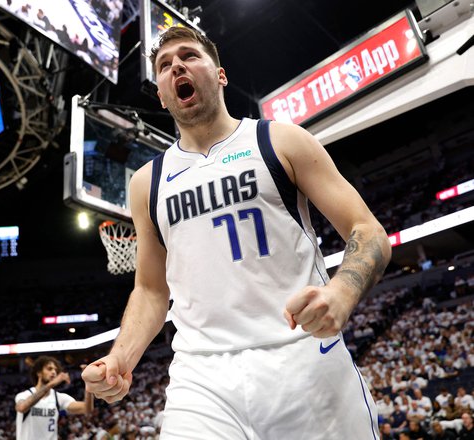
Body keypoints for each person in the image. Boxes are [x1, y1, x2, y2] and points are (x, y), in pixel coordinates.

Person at [81, 25, 391, 439]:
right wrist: (121, 357)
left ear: (220, 74)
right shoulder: (146, 183)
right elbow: (152, 290)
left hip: (302, 356)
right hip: (201, 379)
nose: (176, 67)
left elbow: (368, 231)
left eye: (189, 56)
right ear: (160, 94)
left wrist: (342, 292)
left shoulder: (279, 140)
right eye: (164, 65)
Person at [15, 355, 93, 440]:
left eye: (55, 370)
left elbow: (87, 409)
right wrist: (51, 384)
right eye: (49, 369)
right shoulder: (24, 395)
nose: (54, 372)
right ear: (39, 373)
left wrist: (89, 383)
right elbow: (22, 408)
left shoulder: (58, 397)